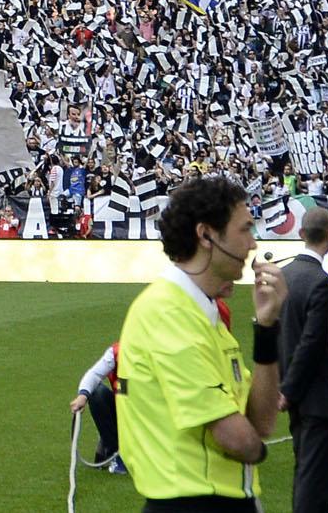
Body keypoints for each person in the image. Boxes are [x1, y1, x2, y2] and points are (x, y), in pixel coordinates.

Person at [113, 175, 287, 513]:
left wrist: (267, 326)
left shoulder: (203, 312)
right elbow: (237, 438)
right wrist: (257, 453)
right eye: (245, 229)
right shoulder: (167, 311)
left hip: (219, 499)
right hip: (192, 502)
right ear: (205, 234)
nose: (252, 244)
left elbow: (262, 423)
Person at [281, 206, 328, 513]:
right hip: (317, 396)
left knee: (303, 475)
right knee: (316, 485)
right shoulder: (321, 282)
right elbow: (312, 341)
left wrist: (285, 389)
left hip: (295, 395)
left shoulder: (285, 275)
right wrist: (290, 389)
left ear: (301, 234)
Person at [72, 344, 128, 475]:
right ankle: (115, 452)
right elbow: (94, 374)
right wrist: (82, 395)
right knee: (97, 393)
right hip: (125, 411)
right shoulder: (116, 352)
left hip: (152, 415)